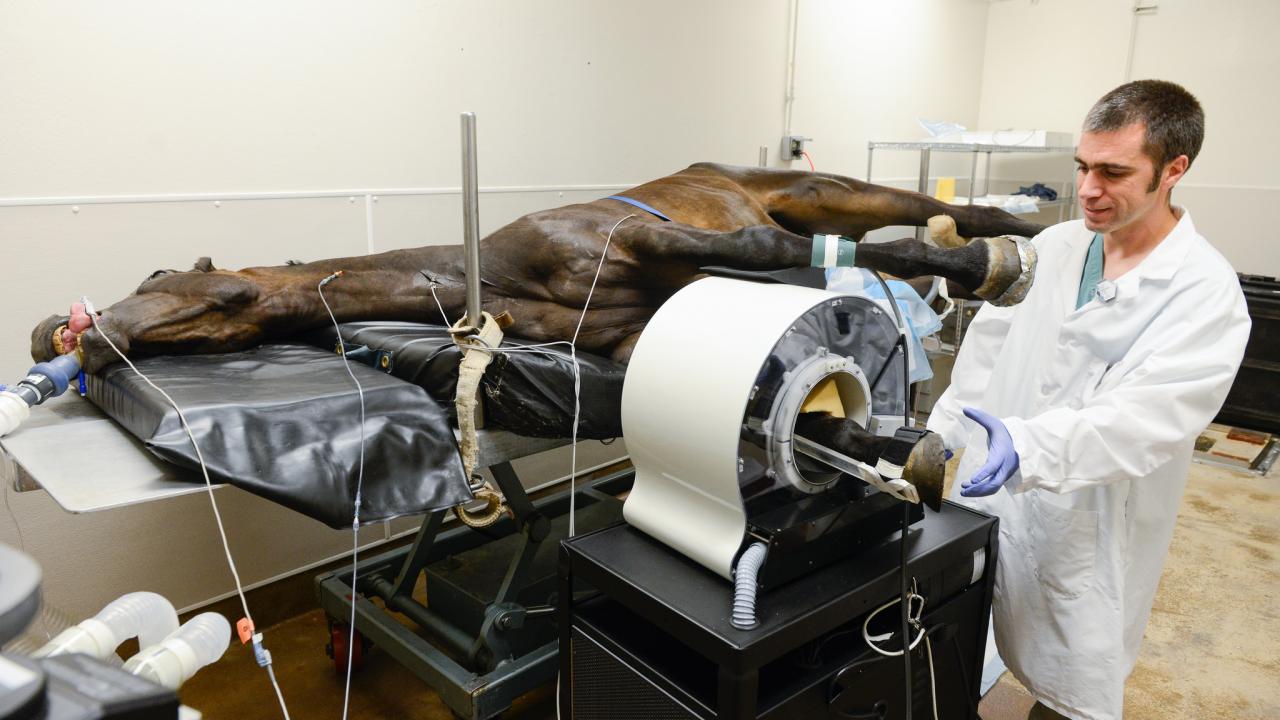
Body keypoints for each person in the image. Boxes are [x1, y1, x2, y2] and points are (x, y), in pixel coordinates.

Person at [927, 80, 1250, 719]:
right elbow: (987, 348)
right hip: (997, 496)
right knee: (964, 629)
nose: (1087, 189)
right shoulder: (1056, 247)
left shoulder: (1204, 293)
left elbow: (1144, 420)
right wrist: (943, 435)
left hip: (1095, 516)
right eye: (1081, 166)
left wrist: (1029, 446)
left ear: (1174, 170)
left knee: (1073, 671)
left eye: (1113, 172)